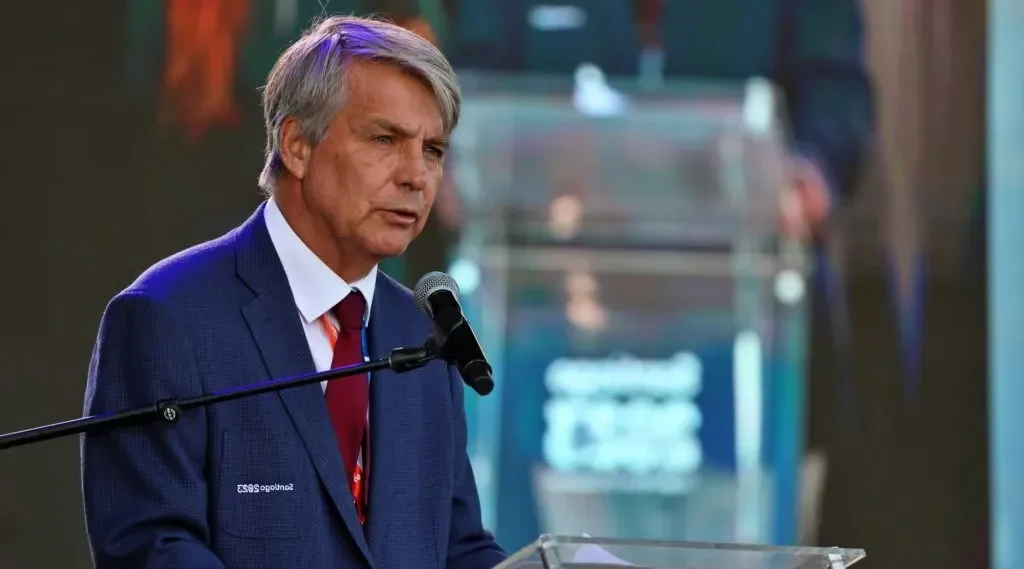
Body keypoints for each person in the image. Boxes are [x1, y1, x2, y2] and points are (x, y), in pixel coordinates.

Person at [81, 15, 506, 569]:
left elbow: (458, 546)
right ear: (297, 144)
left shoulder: (424, 336)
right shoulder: (166, 317)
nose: (416, 176)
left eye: (432, 150)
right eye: (385, 139)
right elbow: (150, 546)